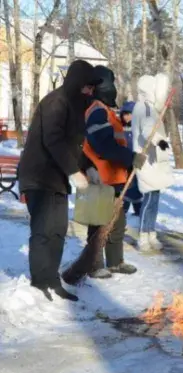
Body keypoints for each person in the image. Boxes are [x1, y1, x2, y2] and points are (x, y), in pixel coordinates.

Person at [17, 60, 101, 302]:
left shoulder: (75, 108)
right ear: (76, 83)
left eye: (91, 89)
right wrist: (74, 171)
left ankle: (52, 279)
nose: (89, 93)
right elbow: (53, 139)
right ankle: (39, 282)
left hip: (57, 178)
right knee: (43, 230)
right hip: (39, 176)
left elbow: (73, 145)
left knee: (58, 230)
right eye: (86, 87)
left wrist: (87, 167)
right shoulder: (56, 102)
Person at [81, 65, 147, 279]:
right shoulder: (97, 110)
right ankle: (93, 263)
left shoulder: (107, 111)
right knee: (99, 223)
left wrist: (128, 162)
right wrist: (130, 158)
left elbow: (116, 142)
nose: (115, 88)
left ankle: (115, 261)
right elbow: (103, 145)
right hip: (99, 176)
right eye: (113, 83)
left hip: (114, 177)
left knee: (117, 223)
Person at [132, 73, 174, 252]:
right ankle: (143, 235)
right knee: (149, 199)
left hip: (153, 160)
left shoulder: (150, 108)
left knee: (154, 199)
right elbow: (146, 130)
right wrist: (160, 141)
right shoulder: (144, 107)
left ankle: (151, 232)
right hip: (146, 158)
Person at [120, 101, 143, 216]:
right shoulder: (120, 128)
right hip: (123, 162)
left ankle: (138, 210)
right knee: (125, 186)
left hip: (136, 161)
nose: (127, 117)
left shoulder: (138, 129)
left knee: (135, 187)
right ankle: (122, 210)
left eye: (130, 114)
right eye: (125, 114)